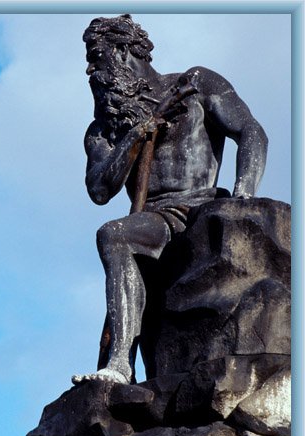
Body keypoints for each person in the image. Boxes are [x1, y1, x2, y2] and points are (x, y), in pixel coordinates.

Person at [72, 14, 268, 385]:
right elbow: (99, 190)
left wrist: (244, 193)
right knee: (113, 234)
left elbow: (251, 132)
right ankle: (120, 363)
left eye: (96, 56)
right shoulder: (104, 128)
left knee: (116, 233)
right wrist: (134, 137)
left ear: (124, 50)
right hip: (155, 220)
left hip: (202, 204)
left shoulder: (195, 84)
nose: (90, 69)